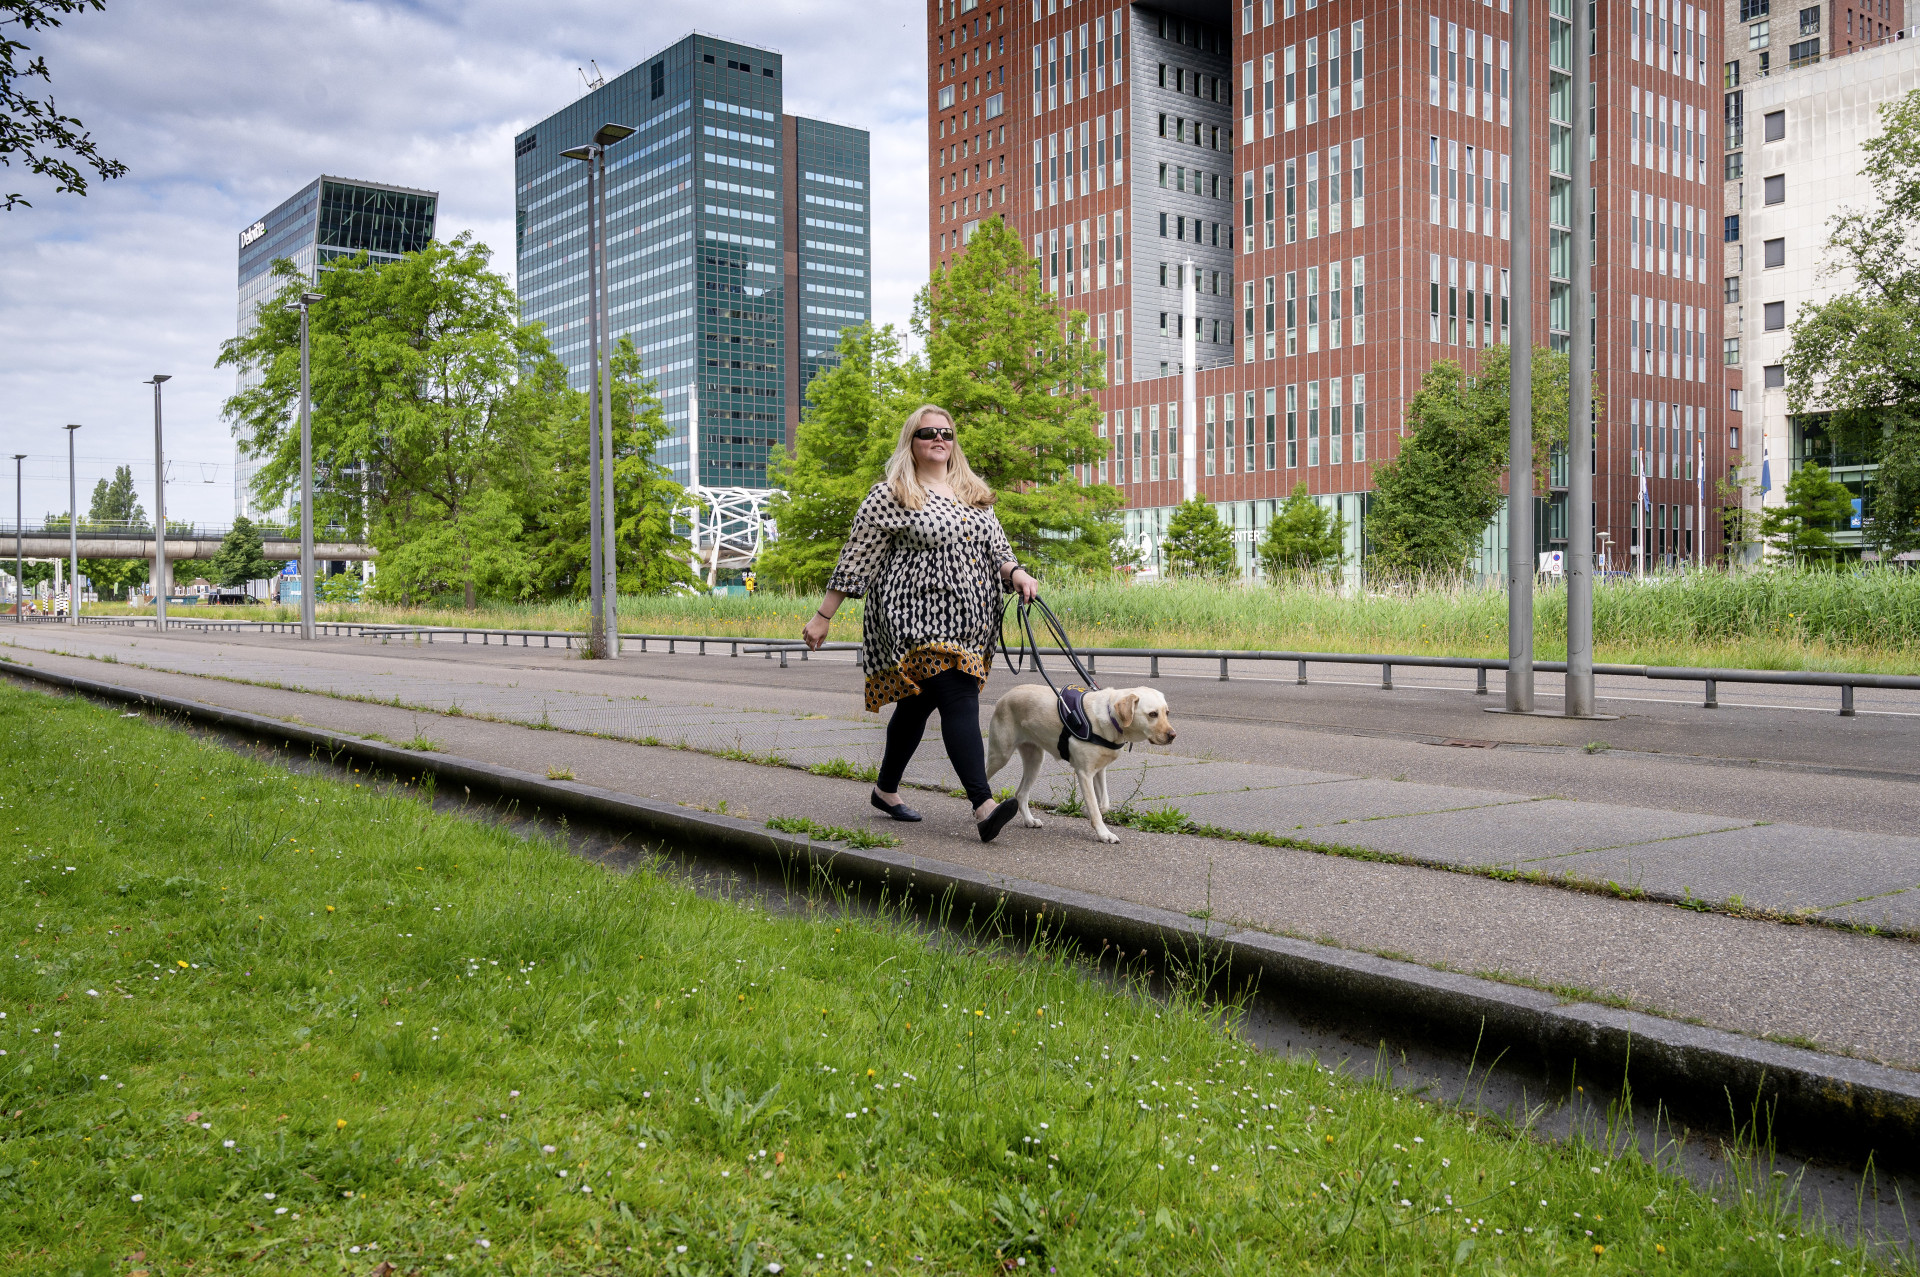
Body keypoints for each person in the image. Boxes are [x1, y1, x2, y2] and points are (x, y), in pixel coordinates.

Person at [803, 404, 1038, 842]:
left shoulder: (973, 493)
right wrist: (823, 617)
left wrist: (1017, 574)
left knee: (918, 704)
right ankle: (984, 807)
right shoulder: (890, 494)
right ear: (911, 440)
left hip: (970, 624)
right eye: (928, 432)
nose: (939, 439)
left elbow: (999, 552)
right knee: (957, 692)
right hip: (913, 616)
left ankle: (885, 790)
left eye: (946, 433)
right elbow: (855, 560)